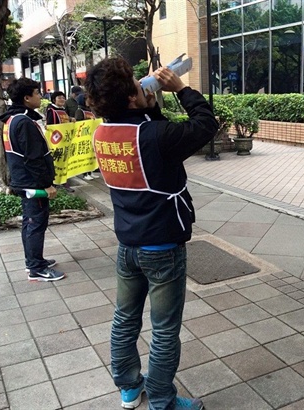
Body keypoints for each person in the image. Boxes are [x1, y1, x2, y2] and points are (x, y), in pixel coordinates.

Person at [85, 57, 217, 410]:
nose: (144, 83)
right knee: (163, 329)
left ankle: (128, 387)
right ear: (131, 98)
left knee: (124, 318)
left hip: (127, 245)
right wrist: (182, 89)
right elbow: (205, 125)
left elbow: (148, 136)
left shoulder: (103, 133)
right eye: (136, 82)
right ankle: (162, 399)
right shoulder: (155, 136)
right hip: (162, 248)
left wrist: (152, 106)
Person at [0, 78, 66, 282]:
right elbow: (34, 158)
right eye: (37, 93)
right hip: (32, 183)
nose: (41, 96)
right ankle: (36, 268)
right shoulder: (24, 122)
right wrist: (46, 184)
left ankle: (34, 260)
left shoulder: (14, 119)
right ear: (27, 98)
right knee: (35, 223)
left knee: (30, 223)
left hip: (24, 180)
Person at [45, 91, 75, 192]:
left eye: (63, 98)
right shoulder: (51, 110)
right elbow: (51, 126)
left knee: (64, 161)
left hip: (65, 141)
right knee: (57, 161)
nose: (62, 99)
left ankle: (64, 181)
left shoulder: (63, 110)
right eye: (59, 98)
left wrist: (71, 120)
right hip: (57, 142)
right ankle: (57, 182)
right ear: (54, 100)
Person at [75, 93, 100, 181]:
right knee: (85, 155)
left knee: (91, 154)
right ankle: (85, 174)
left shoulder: (90, 110)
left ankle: (91, 171)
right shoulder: (80, 111)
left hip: (91, 135)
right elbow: (79, 123)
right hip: (84, 136)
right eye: (86, 99)